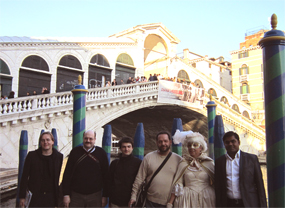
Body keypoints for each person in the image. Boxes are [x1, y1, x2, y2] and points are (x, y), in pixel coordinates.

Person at [129, 131, 182, 208]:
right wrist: (133, 196)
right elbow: (139, 178)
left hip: (170, 203)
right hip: (150, 202)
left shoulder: (178, 160)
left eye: (165, 141)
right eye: (160, 141)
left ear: (170, 142)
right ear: (156, 143)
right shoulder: (148, 157)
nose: (163, 144)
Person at [215, 131, 267, 207]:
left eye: (233, 141)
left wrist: (263, 205)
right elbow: (218, 186)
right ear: (224, 144)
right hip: (228, 204)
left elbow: (259, 185)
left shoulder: (251, 159)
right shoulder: (219, 162)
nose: (230, 144)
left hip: (248, 203)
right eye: (227, 142)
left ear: (239, 142)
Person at [62, 130, 109, 207]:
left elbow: (106, 176)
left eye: (91, 139)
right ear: (83, 139)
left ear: (95, 139)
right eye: (86, 138)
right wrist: (66, 194)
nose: (88, 141)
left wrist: (105, 196)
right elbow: (67, 174)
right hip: (76, 196)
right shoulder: (75, 152)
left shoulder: (101, 153)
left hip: (95, 196)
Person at [168, 130, 215, 208]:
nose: (191, 147)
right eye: (189, 145)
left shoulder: (209, 162)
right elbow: (178, 183)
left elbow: (217, 183)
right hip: (187, 199)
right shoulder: (183, 163)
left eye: (195, 145)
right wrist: (170, 203)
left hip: (207, 199)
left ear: (201, 148)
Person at [19, 132, 63, 208]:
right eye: (43, 140)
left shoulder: (59, 157)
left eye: (48, 140)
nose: (45, 142)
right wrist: (22, 197)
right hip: (35, 196)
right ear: (40, 142)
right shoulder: (32, 156)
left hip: (51, 197)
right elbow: (24, 177)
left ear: (52, 142)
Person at [107, 137, 141, 207]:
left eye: (129, 147)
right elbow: (109, 181)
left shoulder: (138, 163)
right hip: (115, 201)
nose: (126, 149)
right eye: (124, 147)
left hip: (130, 202)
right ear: (120, 148)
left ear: (132, 148)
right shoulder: (114, 163)